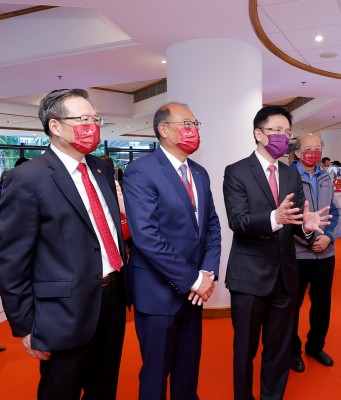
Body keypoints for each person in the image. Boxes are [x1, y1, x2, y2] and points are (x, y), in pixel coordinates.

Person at [0, 88, 127, 399]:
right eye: (83, 119)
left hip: (113, 299)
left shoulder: (101, 167)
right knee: (61, 390)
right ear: (55, 126)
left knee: (104, 388)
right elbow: (12, 258)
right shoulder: (27, 178)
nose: (93, 126)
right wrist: (25, 326)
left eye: (95, 118)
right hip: (63, 311)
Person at [223, 105, 331, 400]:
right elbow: (238, 222)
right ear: (259, 133)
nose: (283, 138)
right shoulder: (236, 172)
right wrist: (275, 218)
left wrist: (306, 227)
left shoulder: (290, 174)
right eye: (276, 131)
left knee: (278, 349)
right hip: (249, 279)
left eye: (287, 132)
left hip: (285, 278)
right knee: (244, 350)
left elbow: (294, 221)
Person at [122, 102, 221, 399]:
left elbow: (212, 226)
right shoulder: (141, 171)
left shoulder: (200, 173)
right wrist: (194, 280)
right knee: (155, 372)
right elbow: (147, 237)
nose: (194, 130)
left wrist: (206, 272)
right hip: (158, 292)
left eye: (195, 124)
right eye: (187, 124)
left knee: (188, 368)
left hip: (193, 292)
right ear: (164, 130)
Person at [289, 133, 341, 373]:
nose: (314, 152)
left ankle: (315, 346)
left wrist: (327, 237)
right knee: (292, 306)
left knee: (322, 305)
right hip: (298, 254)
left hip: (325, 253)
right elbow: (287, 217)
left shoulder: (325, 176)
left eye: (317, 148)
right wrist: (310, 239)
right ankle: (293, 352)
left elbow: (336, 212)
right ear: (298, 152)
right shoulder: (288, 177)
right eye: (308, 148)